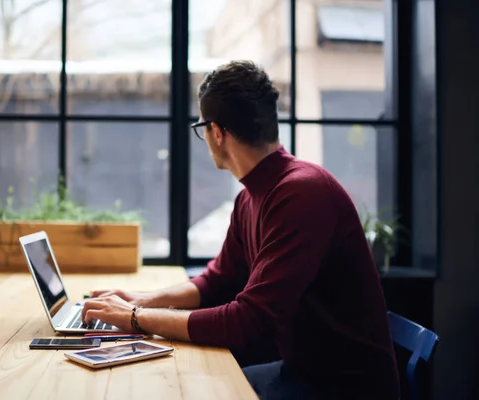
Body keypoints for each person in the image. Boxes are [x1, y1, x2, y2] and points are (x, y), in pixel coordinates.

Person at [80, 61, 400, 399]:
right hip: (303, 372)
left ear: (216, 132)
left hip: (344, 388)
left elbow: (249, 320)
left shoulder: (302, 193)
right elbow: (217, 280)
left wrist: (136, 318)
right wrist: (143, 300)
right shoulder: (251, 196)